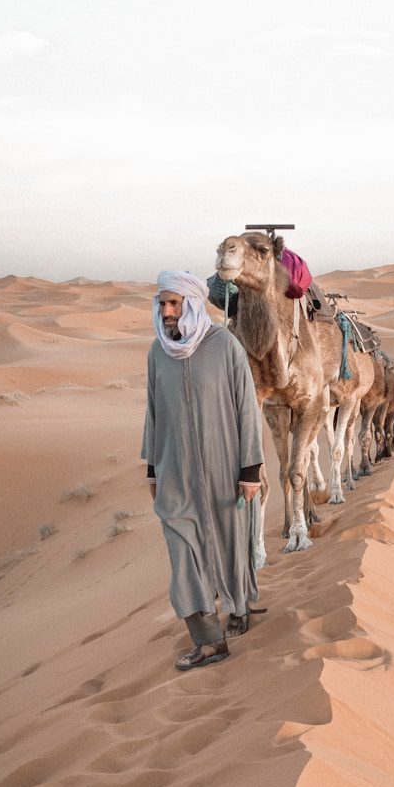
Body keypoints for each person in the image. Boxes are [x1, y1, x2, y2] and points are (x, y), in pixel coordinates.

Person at [141, 271, 264, 671]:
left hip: (225, 468)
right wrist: (152, 470)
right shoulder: (158, 353)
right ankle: (210, 641)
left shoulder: (224, 345)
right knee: (182, 557)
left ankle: (239, 607)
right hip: (176, 475)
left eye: (174, 303)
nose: (166, 311)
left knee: (231, 545)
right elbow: (154, 413)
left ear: (192, 304)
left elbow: (247, 408)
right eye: (162, 303)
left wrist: (250, 470)